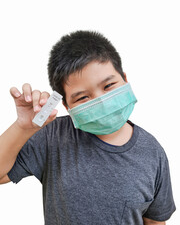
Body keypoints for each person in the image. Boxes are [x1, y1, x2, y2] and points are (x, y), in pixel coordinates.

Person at [0, 31, 176, 225]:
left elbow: (155, 221)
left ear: (124, 78)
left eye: (108, 85)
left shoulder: (152, 152)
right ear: (67, 106)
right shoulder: (52, 137)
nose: (101, 101)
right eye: (83, 97)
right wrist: (23, 128)